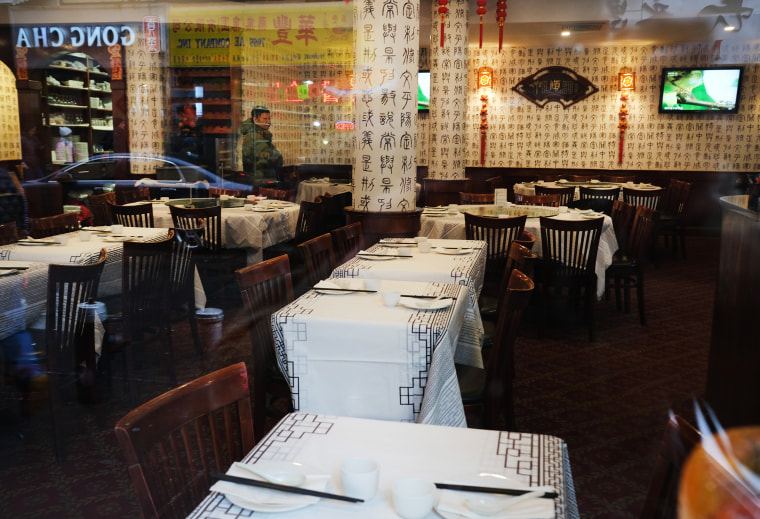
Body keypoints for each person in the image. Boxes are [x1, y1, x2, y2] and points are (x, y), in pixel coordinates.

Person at [241, 106, 283, 188]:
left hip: (261, 180)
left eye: (269, 119)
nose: (268, 122)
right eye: (265, 119)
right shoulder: (254, 137)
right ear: (255, 119)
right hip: (259, 181)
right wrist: (276, 156)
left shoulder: (263, 136)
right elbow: (273, 159)